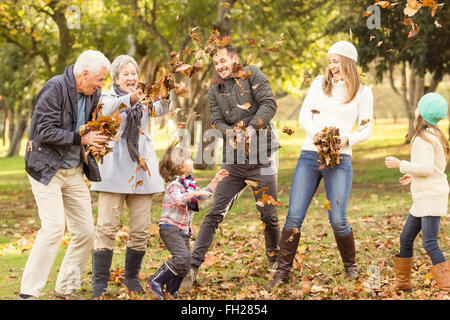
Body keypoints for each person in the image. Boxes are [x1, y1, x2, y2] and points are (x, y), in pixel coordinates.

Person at [269, 41, 374, 289]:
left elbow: (367, 127)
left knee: (338, 219)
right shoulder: (319, 84)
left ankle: (351, 266)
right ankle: (282, 273)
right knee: (294, 216)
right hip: (309, 155)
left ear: (348, 62)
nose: (332, 66)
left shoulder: (363, 92)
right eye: (330, 61)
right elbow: (305, 116)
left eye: (336, 61)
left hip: (339, 159)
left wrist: (348, 139)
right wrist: (318, 134)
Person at [182, 44, 281, 288]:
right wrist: (232, 134)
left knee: (268, 214)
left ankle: (276, 261)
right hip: (234, 161)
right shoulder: (214, 89)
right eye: (216, 63)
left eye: (223, 60)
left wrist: (248, 128)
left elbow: (269, 104)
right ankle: (192, 267)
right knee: (215, 211)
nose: (220, 66)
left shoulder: (253, 74)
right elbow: (216, 120)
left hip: (263, 156)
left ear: (234, 59)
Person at [19, 50, 111, 300]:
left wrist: (95, 141)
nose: (102, 84)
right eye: (100, 79)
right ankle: (28, 293)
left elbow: (87, 128)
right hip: (46, 169)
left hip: (73, 171)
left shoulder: (94, 94)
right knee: (53, 228)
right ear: (83, 75)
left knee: (85, 230)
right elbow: (45, 131)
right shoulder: (55, 88)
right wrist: (81, 138)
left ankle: (65, 289)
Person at [90, 55, 171, 297]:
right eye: (125, 73)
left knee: (140, 230)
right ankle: (100, 284)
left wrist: (166, 93)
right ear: (116, 77)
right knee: (106, 227)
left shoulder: (144, 97)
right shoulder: (106, 97)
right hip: (113, 172)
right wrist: (129, 99)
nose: (131, 77)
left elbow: (161, 108)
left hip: (141, 172)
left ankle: (132, 278)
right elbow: (106, 109)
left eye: (133, 73)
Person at [385, 92, 449, 299]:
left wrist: (400, 164)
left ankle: (447, 288)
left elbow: (427, 168)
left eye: (417, 107)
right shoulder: (435, 134)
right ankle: (403, 283)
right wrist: (411, 175)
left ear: (420, 113)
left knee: (429, 242)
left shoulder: (423, 139)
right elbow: (434, 168)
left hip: (430, 198)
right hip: (425, 197)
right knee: (406, 237)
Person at [147, 142, 229, 300]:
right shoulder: (175, 185)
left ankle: (171, 290)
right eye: (189, 159)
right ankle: (155, 280)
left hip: (183, 231)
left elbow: (203, 194)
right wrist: (191, 195)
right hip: (169, 228)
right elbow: (177, 200)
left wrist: (216, 180)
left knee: (186, 264)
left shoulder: (189, 184)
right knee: (182, 258)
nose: (192, 161)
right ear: (180, 166)